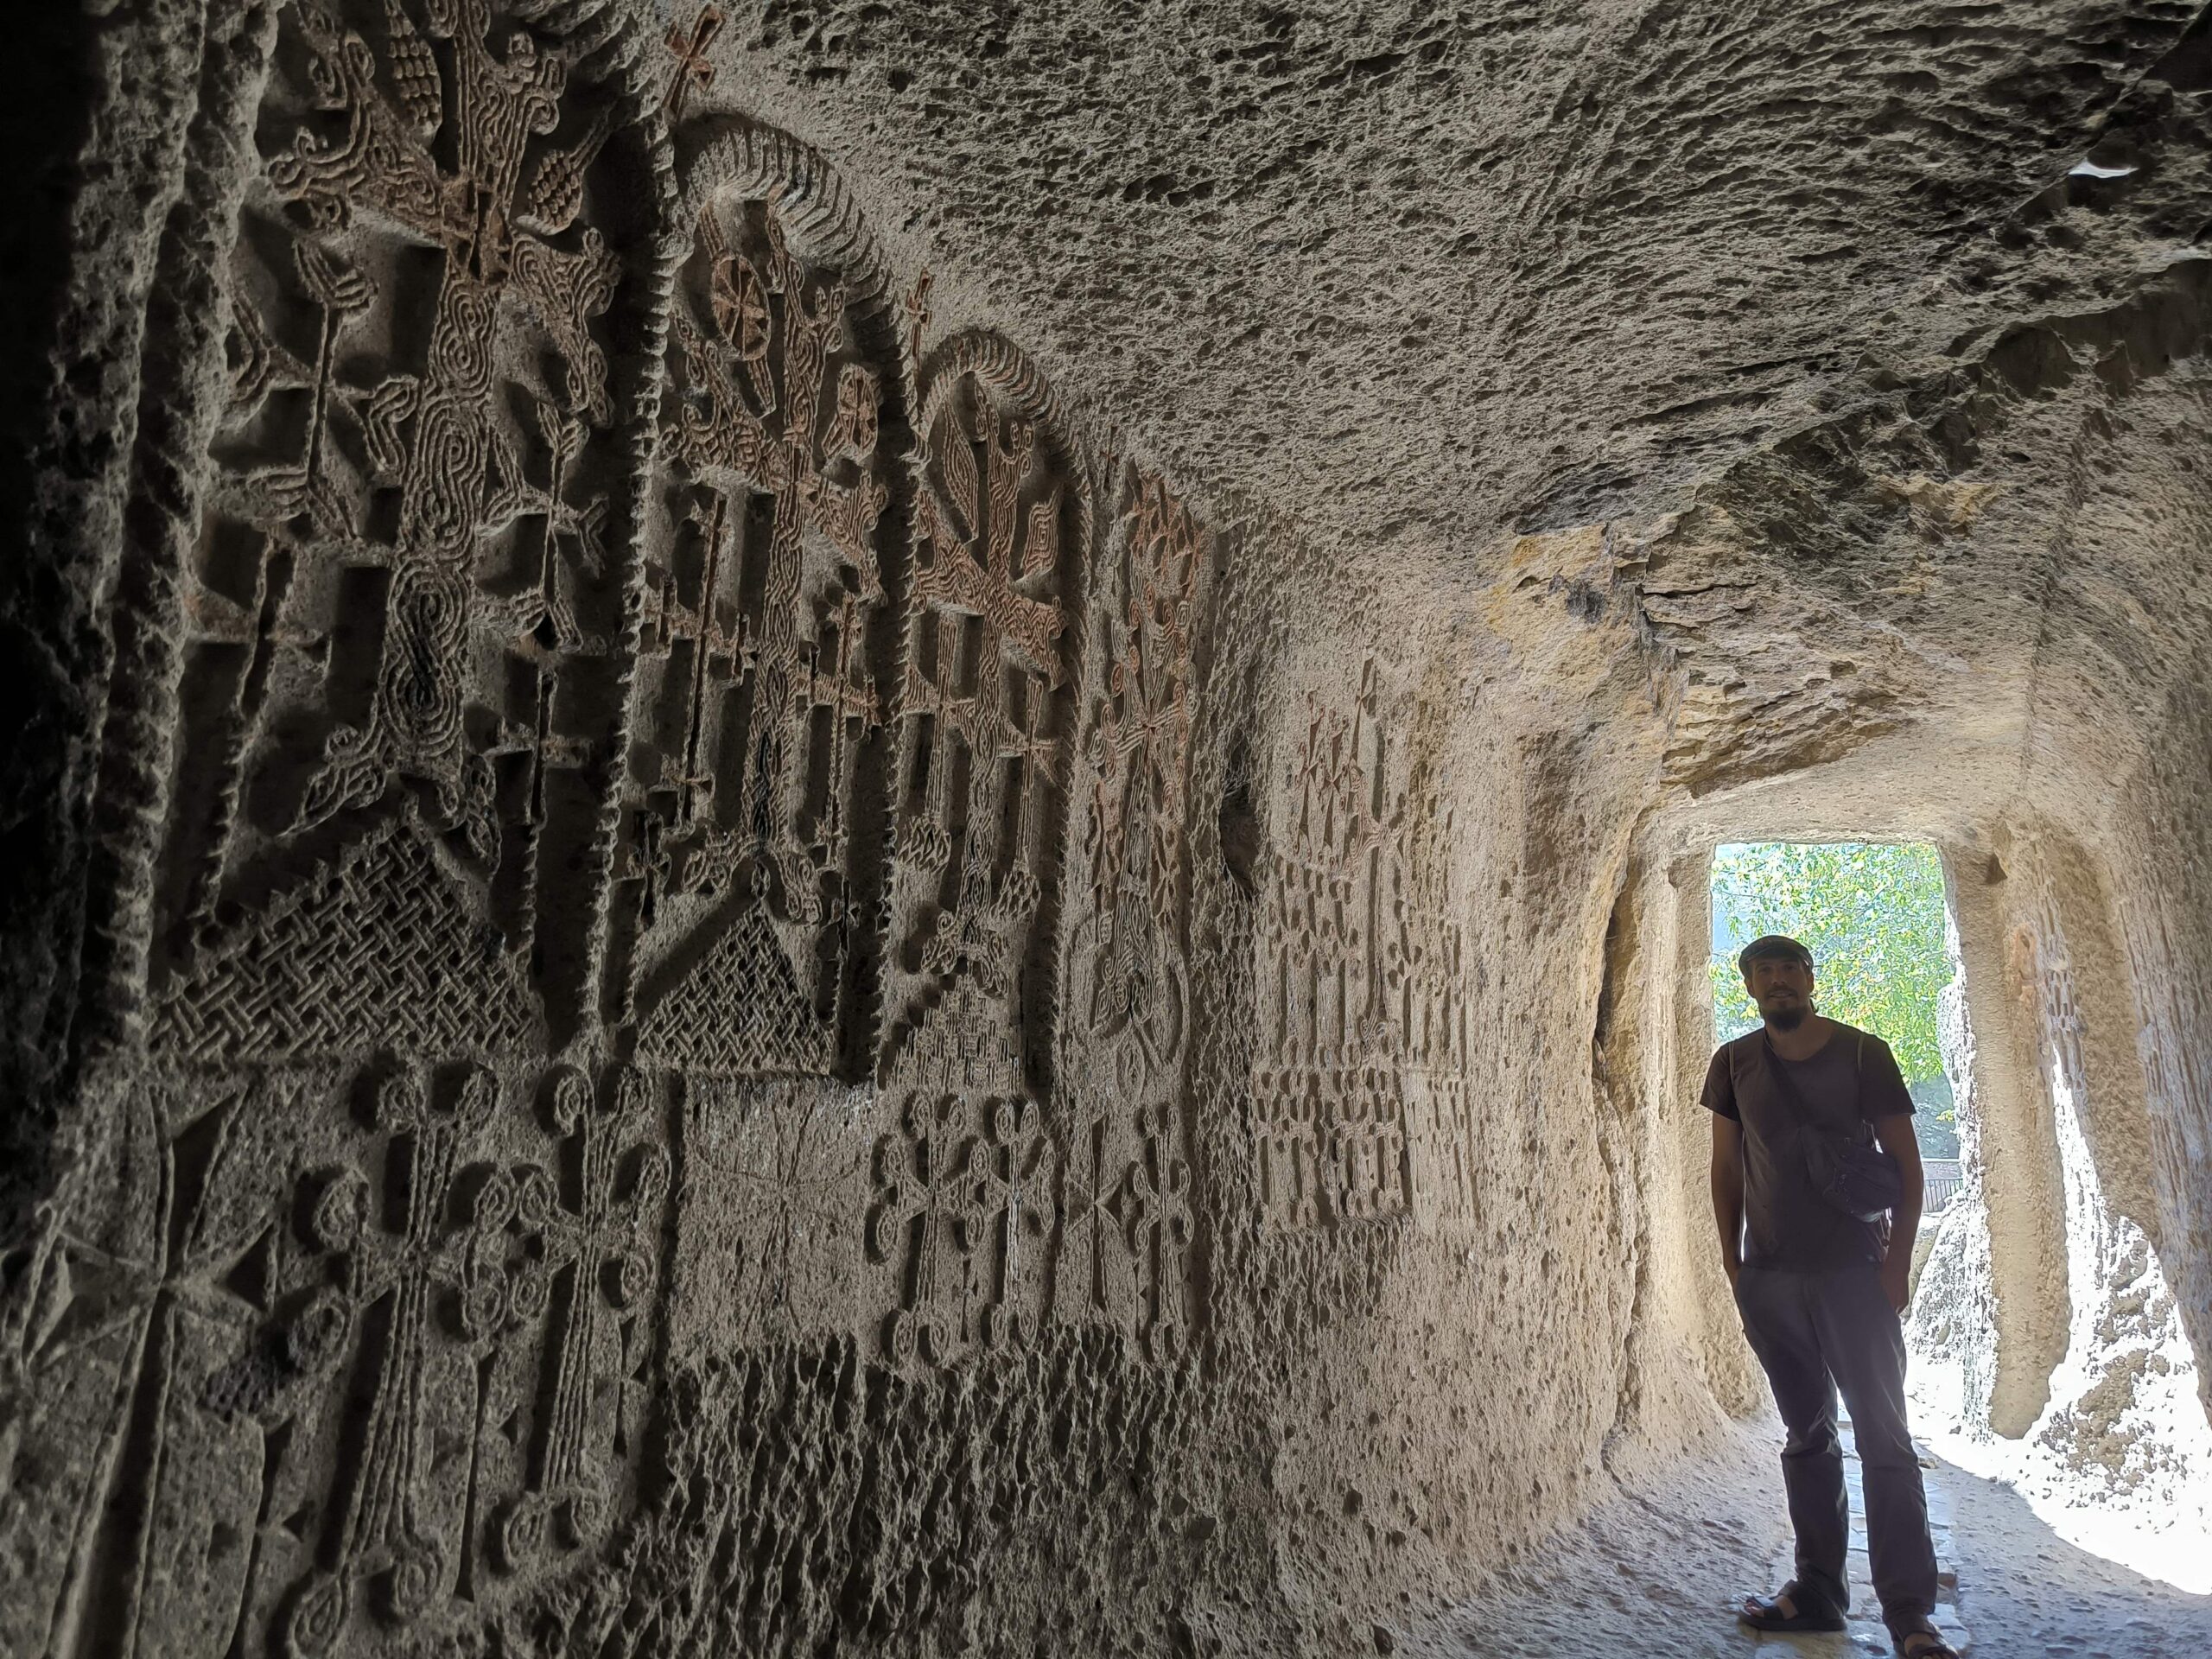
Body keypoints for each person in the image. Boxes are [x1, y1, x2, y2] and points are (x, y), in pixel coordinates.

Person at [1705, 933, 1957, 1659]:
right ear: (1749, 985)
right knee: (1807, 1438)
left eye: (1790, 970)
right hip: (1771, 1280)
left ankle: (1910, 1615)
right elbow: (1724, 1167)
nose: (1779, 981)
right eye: (1765, 973)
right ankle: (1817, 1592)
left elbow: (1906, 1165)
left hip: (1854, 1275)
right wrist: (1734, 1263)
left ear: (1810, 979)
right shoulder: (1734, 1063)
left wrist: (1896, 1263)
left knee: (1884, 1440)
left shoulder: (1860, 1054)